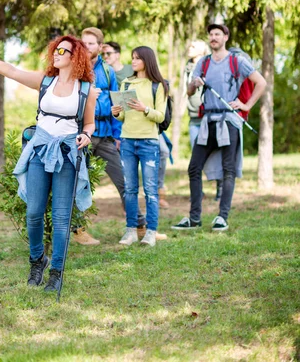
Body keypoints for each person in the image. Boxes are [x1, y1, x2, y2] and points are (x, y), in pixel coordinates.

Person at [0, 35, 96, 291]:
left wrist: (86, 135)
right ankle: (38, 261)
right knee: (34, 212)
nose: (55, 54)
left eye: (62, 50)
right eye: (54, 50)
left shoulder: (85, 89)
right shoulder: (45, 80)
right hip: (39, 149)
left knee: (60, 217)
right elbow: (12, 71)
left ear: (74, 56)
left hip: (67, 154)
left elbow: (89, 122)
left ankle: (56, 272)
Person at [172, 24, 266, 232]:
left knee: (228, 171)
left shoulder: (236, 61)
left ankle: (222, 217)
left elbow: (261, 83)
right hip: (207, 121)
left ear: (225, 37)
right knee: (194, 168)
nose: (213, 37)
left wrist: (246, 105)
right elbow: (188, 92)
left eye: (217, 34)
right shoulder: (203, 63)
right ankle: (194, 218)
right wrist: (193, 84)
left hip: (229, 122)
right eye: (211, 34)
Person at [79, 27, 147, 243]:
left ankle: (140, 227)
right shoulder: (74, 69)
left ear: (101, 47)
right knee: (79, 183)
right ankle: (77, 230)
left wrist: (118, 135)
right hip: (83, 135)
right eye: (84, 42)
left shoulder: (107, 71)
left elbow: (118, 104)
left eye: (91, 43)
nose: (86, 46)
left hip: (107, 135)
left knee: (125, 181)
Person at [112, 46, 168, 247]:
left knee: (151, 190)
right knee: (130, 189)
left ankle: (151, 232)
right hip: (127, 141)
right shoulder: (126, 83)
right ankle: (131, 232)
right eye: (132, 58)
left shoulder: (158, 85)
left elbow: (160, 116)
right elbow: (123, 116)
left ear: (147, 60)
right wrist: (116, 112)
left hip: (149, 142)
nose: (133, 62)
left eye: (137, 58)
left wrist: (144, 109)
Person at [184, 39, 222, 201]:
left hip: (209, 116)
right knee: (196, 157)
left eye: (193, 46)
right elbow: (186, 90)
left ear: (202, 50)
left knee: (215, 153)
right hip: (193, 117)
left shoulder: (209, 65)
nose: (190, 48)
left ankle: (220, 188)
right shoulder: (187, 68)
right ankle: (198, 192)